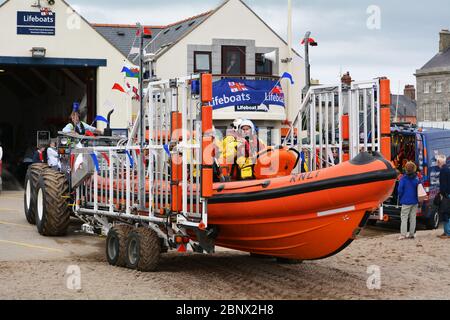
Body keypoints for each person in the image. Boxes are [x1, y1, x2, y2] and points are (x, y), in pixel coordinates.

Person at [397, 161, 419, 240]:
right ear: (414, 169)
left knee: (404, 217)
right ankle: (412, 234)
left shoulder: (403, 178)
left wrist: (401, 196)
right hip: (415, 200)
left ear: (406, 169)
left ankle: (403, 234)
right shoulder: (417, 178)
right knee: (413, 217)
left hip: (406, 200)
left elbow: (400, 190)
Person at [436, 155, 450, 239]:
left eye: (437, 162)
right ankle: (446, 231)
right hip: (448, 193)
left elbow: (443, 184)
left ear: (439, 162)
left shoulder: (443, 171)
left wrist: (442, 194)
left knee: (445, 213)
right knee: (447, 212)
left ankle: (447, 232)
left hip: (446, 194)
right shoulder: (447, 169)